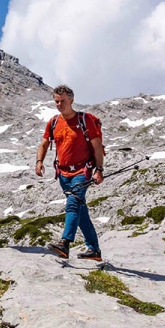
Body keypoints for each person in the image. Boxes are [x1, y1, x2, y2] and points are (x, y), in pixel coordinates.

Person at [34, 84, 104, 261]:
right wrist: (39, 161)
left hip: (83, 171)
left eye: (62, 101)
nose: (59, 104)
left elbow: (96, 146)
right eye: (56, 101)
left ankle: (64, 244)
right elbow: (43, 144)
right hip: (63, 174)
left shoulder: (85, 120)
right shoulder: (54, 122)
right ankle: (94, 250)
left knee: (73, 203)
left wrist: (99, 170)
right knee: (81, 211)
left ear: (71, 100)